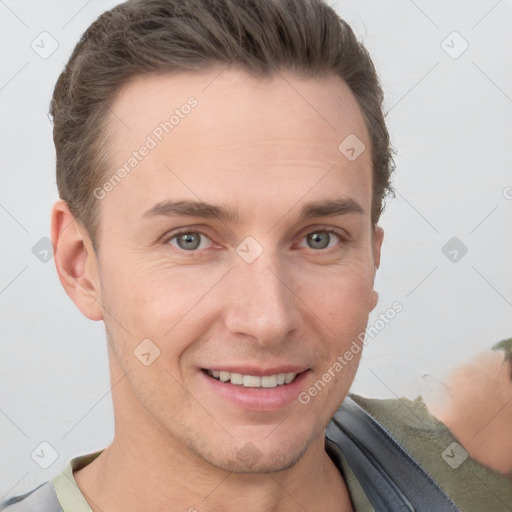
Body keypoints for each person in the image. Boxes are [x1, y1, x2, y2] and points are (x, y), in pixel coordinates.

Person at [1, 0, 510, 510]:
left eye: (319, 239)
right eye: (190, 240)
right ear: (79, 265)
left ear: (373, 257)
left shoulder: (477, 468)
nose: (267, 319)